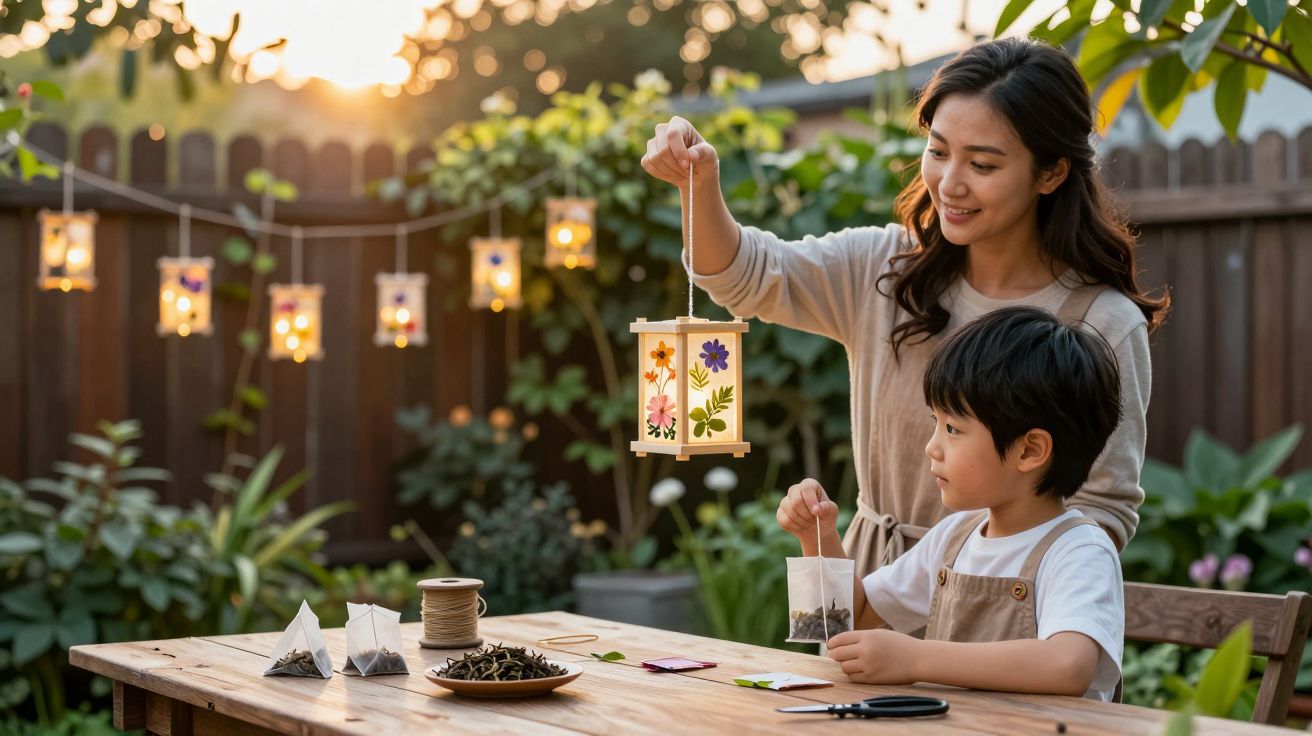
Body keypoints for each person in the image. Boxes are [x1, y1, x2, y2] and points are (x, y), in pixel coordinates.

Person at [640, 37, 1168, 578]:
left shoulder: (1099, 322)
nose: (949, 183)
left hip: (1004, 616)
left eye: (982, 164)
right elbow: (744, 276)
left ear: (1051, 173)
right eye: (938, 151)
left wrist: (971, 573)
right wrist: (699, 186)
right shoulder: (884, 267)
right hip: (867, 589)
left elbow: (1102, 510)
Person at [779, 306, 1125, 700]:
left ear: (1030, 450)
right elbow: (844, 621)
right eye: (935, 421)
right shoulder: (954, 539)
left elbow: (1068, 666)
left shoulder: (1078, 551)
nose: (932, 446)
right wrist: (817, 537)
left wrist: (917, 660)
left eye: (953, 428)